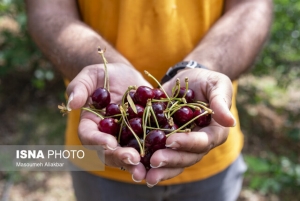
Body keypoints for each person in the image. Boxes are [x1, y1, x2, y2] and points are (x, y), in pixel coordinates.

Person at [25, 0, 273, 200]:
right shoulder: (114, 118)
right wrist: (105, 65)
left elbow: (252, 5)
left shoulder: (189, 113)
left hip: (210, 149)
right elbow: (48, 9)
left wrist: (202, 68)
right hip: (97, 153)